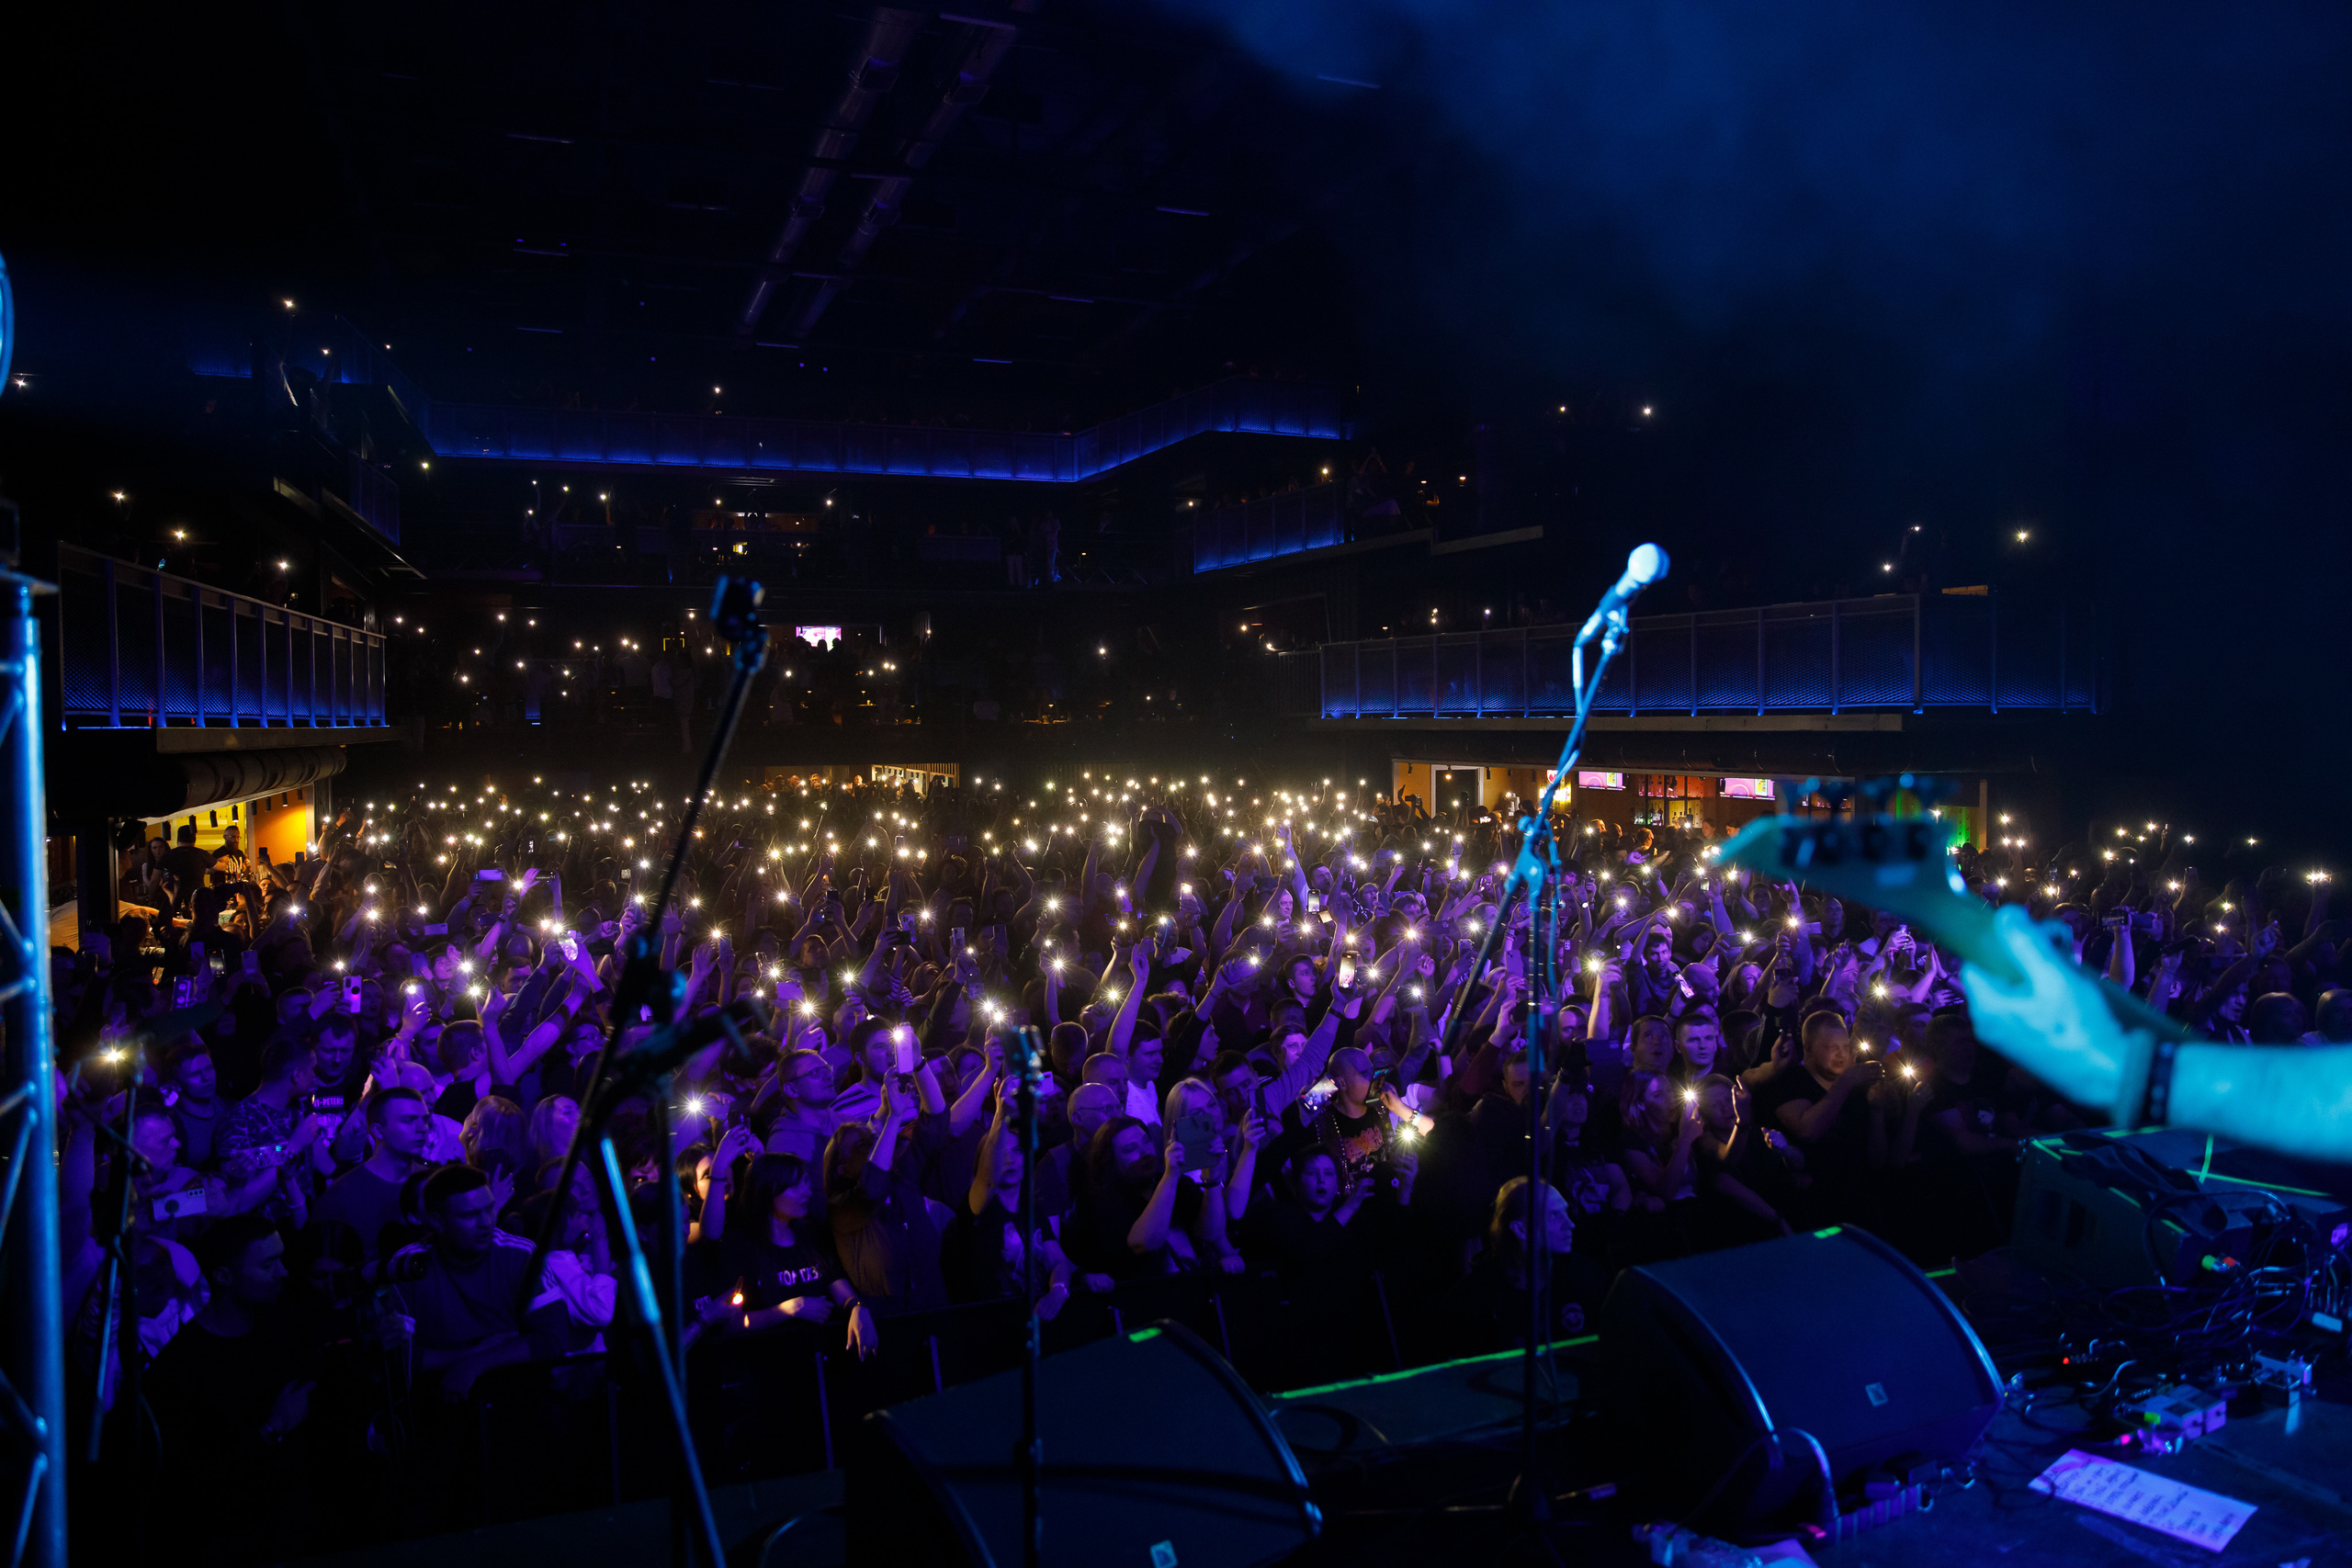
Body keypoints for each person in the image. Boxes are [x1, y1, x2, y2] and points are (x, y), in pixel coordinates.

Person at [146, 1215, 314, 1564]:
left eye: (280, 1258)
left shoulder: (283, 1327)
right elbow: (192, 1482)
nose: (283, 1272)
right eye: (268, 1264)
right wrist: (272, 1429)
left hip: (294, 1528)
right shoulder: (181, 1366)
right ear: (224, 1276)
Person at [386, 1166, 576, 1399]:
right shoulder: (408, 1265)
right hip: (440, 1405)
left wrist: (475, 1364)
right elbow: (400, 1357)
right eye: (469, 1215)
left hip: (517, 1399)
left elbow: (555, 1338)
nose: (486, 1222)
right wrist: (477, 1352)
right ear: (437, 1221)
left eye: (490, 1209)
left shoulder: (520, 1254)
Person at [311, 1086, 433, 1264]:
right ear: (377, 1130)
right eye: (409, 1120)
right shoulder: (340, 1198)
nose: (422, 1128)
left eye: (425, 1120)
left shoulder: (435, 1184)